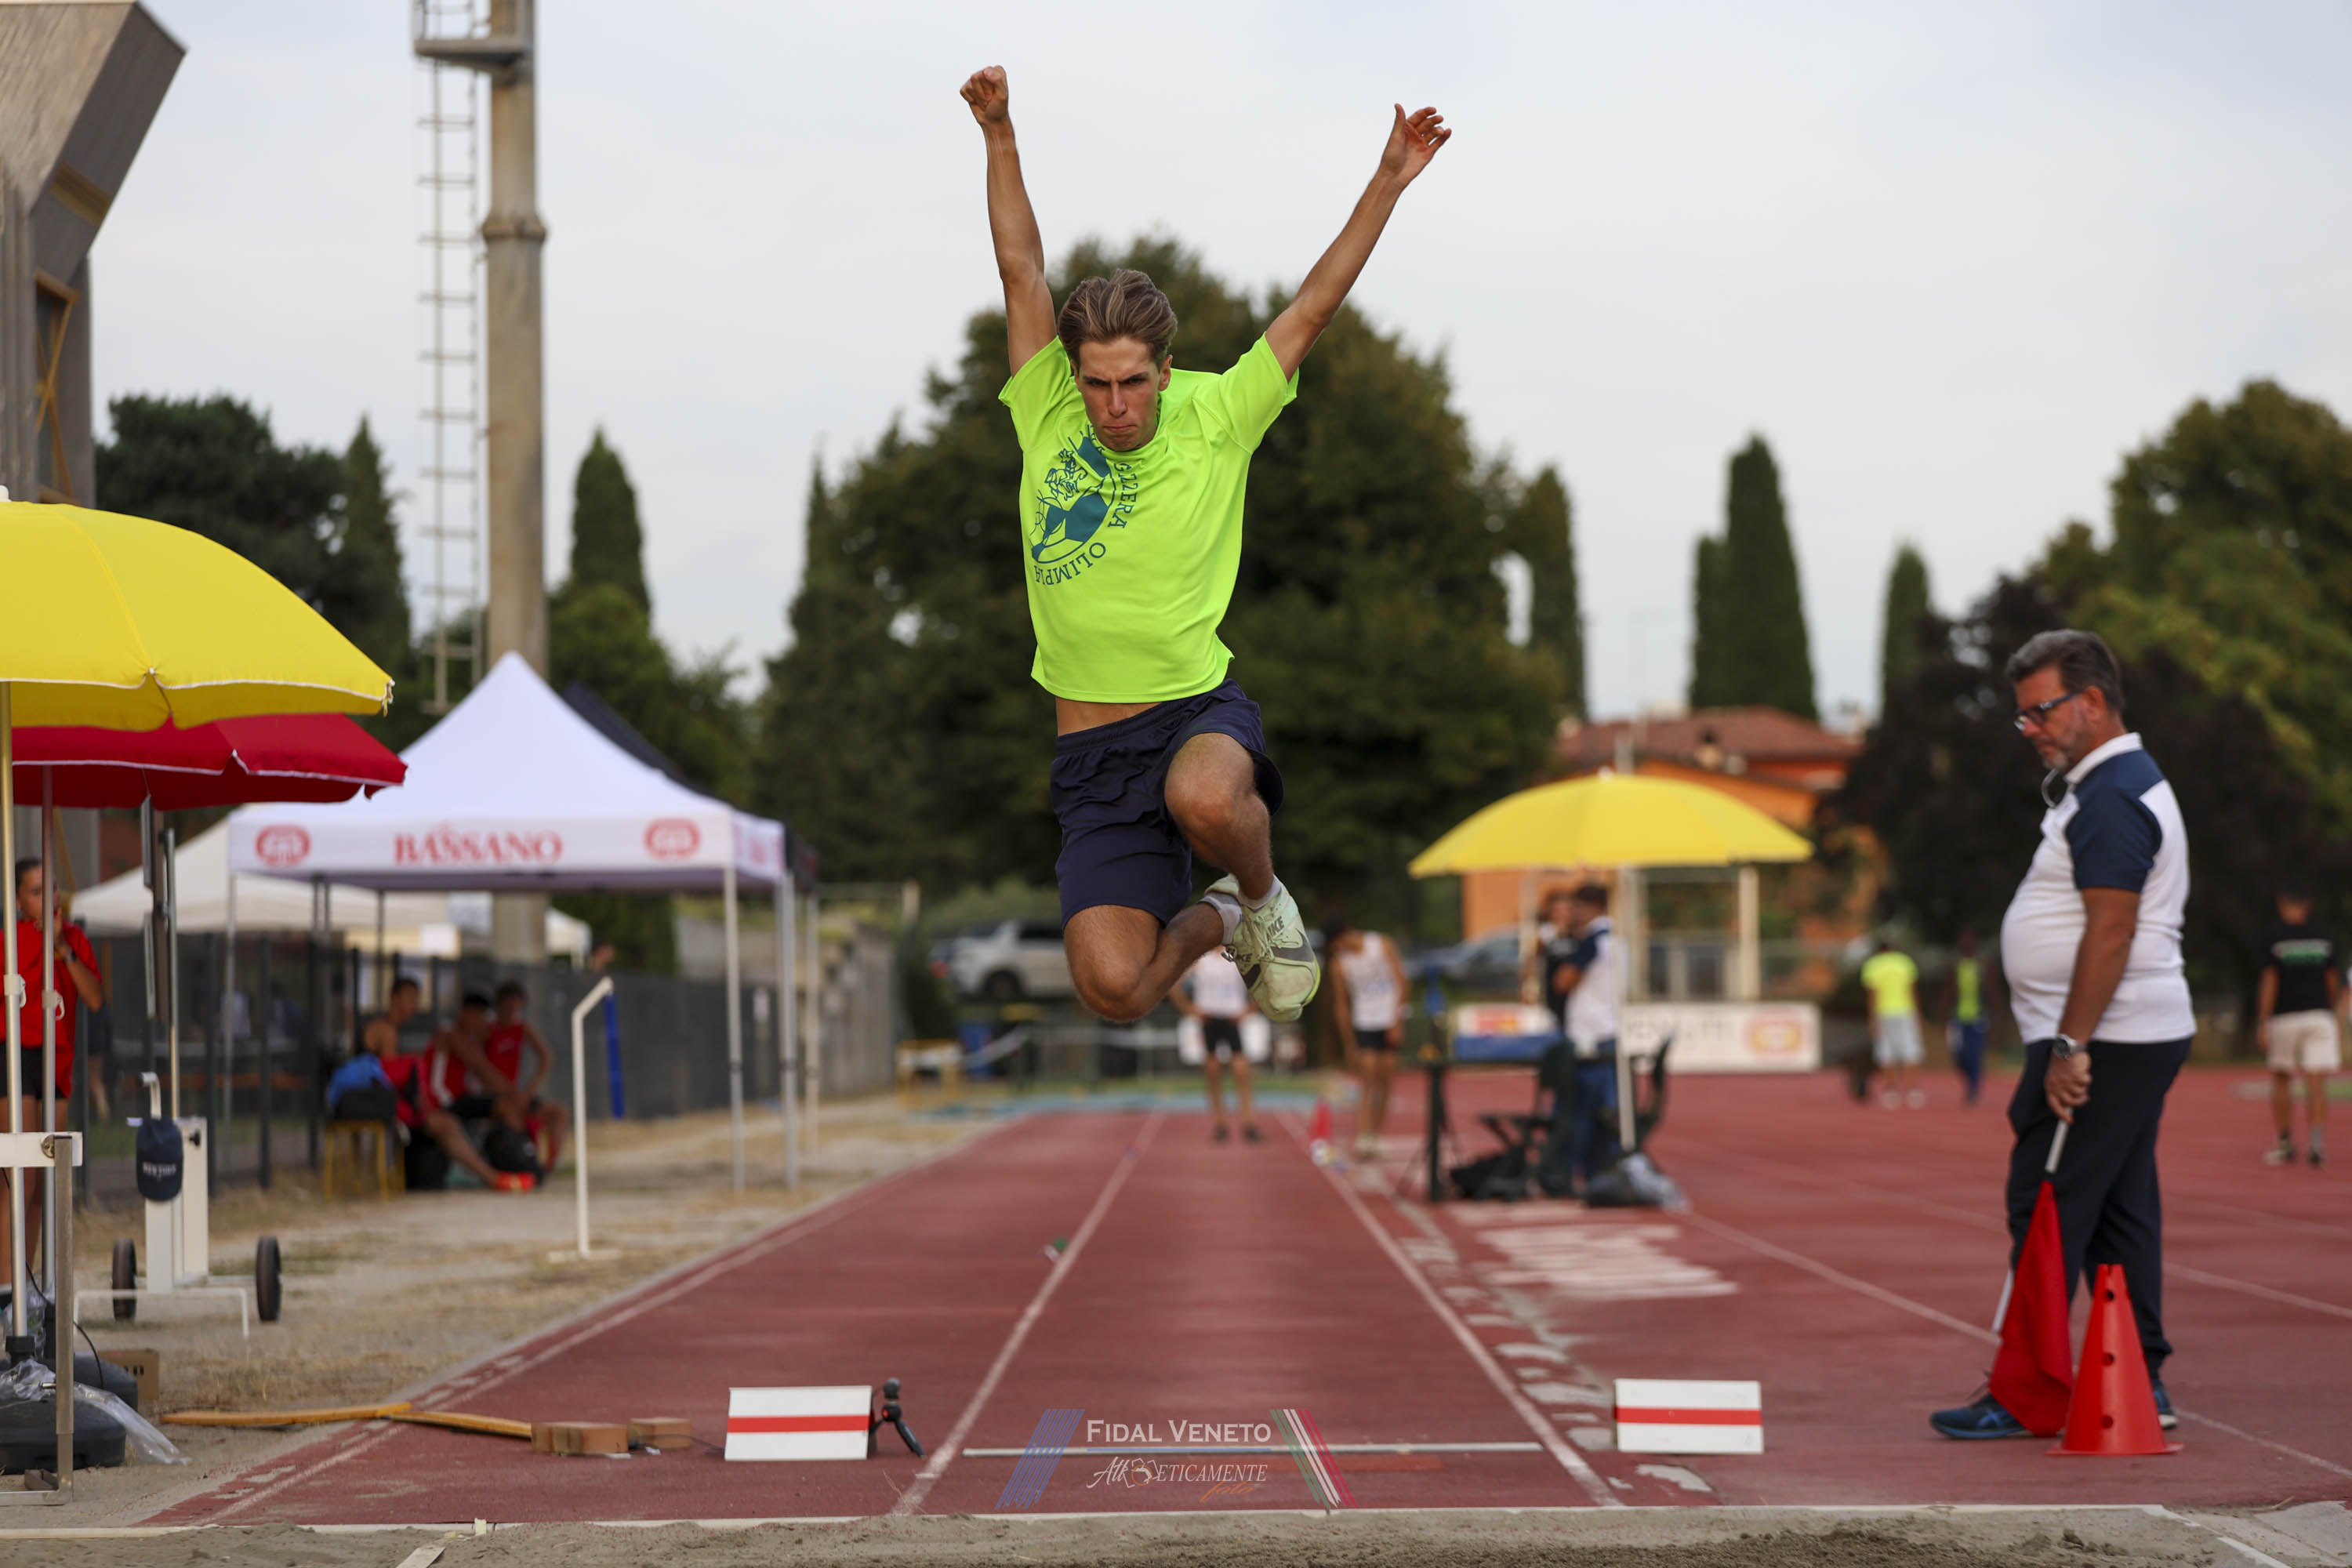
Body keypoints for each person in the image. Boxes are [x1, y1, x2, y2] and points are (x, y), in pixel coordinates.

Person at [960, 64, 1450, 1029]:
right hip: (1091, 756)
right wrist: (1000, 132)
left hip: (1194, 713)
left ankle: (1263, 900)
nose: (1114, 406)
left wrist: (1389, 178)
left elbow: (1312, 308)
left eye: (1133, 383)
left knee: (1210, 802)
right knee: (1113, 989)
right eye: (1097, 384)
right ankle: (1222, 913)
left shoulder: (1219, 413)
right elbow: (1021, 270)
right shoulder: (1045, 407)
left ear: (1165, 368)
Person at [1932, 630, 2190, 1439]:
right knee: (2119, 1206)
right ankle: (2141, 1375)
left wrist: (2072, 1047)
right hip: (2123, 1030)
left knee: (2045, 1201)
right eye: (2022, 716)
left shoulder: (2112, 796)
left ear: (2094, 701)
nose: (2030, 728)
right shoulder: (2108, 785)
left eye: (2040, 711)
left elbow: (2110, 930)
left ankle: (2026, 1390)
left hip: (2103, 1036)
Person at [4, 858, 103, 1279]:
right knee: (20, 1176)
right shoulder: (9, 940)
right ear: (18, 899)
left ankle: (28, 1281)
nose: (49, 899)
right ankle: (7, 1285)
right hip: (15, 1054)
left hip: (56, 1059)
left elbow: (94, 998)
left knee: (45, 1180)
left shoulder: (73, 938)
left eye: (53, 889)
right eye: (36, 892)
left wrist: (62, 947)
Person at [348, 978, 528, 1193]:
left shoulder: (391, 1029)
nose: (414, 1006)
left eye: (417, 1000)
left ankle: (498, 1171)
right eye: (410, 999)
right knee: (445, 1124)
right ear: (394, 999)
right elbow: (391, 1081)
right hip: (375, 1104)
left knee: (446, 1123)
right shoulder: (386, 1031)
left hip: (380, 1102)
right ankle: (494, 1177)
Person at [1538, 884, 1623, 1195]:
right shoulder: (1616, 940)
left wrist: (1562, 956)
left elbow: (1563, 982)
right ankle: (1599, 1174)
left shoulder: (1592, 941)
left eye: (1576, 908)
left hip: (1590, 1037)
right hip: (1607, 1032)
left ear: (1592, 906)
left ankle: (1563, 1175)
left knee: (1576, 1112)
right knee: (1604, 1114)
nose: (1572, 915)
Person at [2254, 886, 2337, 1168]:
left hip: (2284, 1017)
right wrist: (2331, 1011)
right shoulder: (2325, 936)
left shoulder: (2273, 936)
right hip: (2319, 1015)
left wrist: (2263, 1020)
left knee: (2281, 1078)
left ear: (2282, 904)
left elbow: (2270, 979)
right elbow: (2332, 980)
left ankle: (2285, 1142)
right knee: (2317, 1081)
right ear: (2308, 904)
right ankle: (2317, 1145)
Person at [1328, 919, 1410, 1160]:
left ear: (1346, 934)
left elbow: (1402, 982)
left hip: (1388, 1018)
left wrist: (1397, 1021)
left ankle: (1376, 1135)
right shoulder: (1339, 964)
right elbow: (1341, 1004)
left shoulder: (1381, 944)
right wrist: (1349, 1043)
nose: (1339, 949)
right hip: (1364, 1021)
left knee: (1385, 1080)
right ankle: (1363, 1135)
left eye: (1338, 944)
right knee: (1367, 1077)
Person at [1172, 948, 1261, 1144]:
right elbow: (1174, 983)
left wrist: (1250, 1010)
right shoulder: (1199, 958)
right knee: (1213, 1072)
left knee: (1241, 1072)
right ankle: (1220, 1123)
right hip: (1209, 1018)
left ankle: (1248, 1122)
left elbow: (1261, 982)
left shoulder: (1237, 955)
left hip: (1232, 1018)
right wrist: (1189, 1009)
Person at [486, 981, 569, 1170]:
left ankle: (550, 1162)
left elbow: (546, 1057)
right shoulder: (489, 1029)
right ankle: (520, 1160)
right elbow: (480, 1068)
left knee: (559, 1112)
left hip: (517, 1096)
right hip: (495, 1096)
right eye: (509, 1004)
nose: (512, 1009)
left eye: (517, 1005)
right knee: (512, 1113)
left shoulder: (521, 1027)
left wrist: (528, 1091)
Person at [1861, 938, 1926, 1109]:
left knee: (1886, 1052)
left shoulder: (1873, 965)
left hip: (1883, 1013)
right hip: (1906, 1011)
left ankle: (1891, 1092)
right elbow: (1913, 991)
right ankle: (1913, 1091)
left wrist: (1872, 1019)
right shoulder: (1905, 962)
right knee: (1910, 1051)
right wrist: (1918, 1014)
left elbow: (1872, 995)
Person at [1948, 929, 1991, 1108]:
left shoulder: (1982, 965)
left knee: (1975, 1055)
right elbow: (1949, 990)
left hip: (1978, 1018)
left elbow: (1991, 992)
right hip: (1958, 1018)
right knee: (1958, 1054)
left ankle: (1973, 1089)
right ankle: (1968, 1080)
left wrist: (1993, 1016)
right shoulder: (1956, 964)